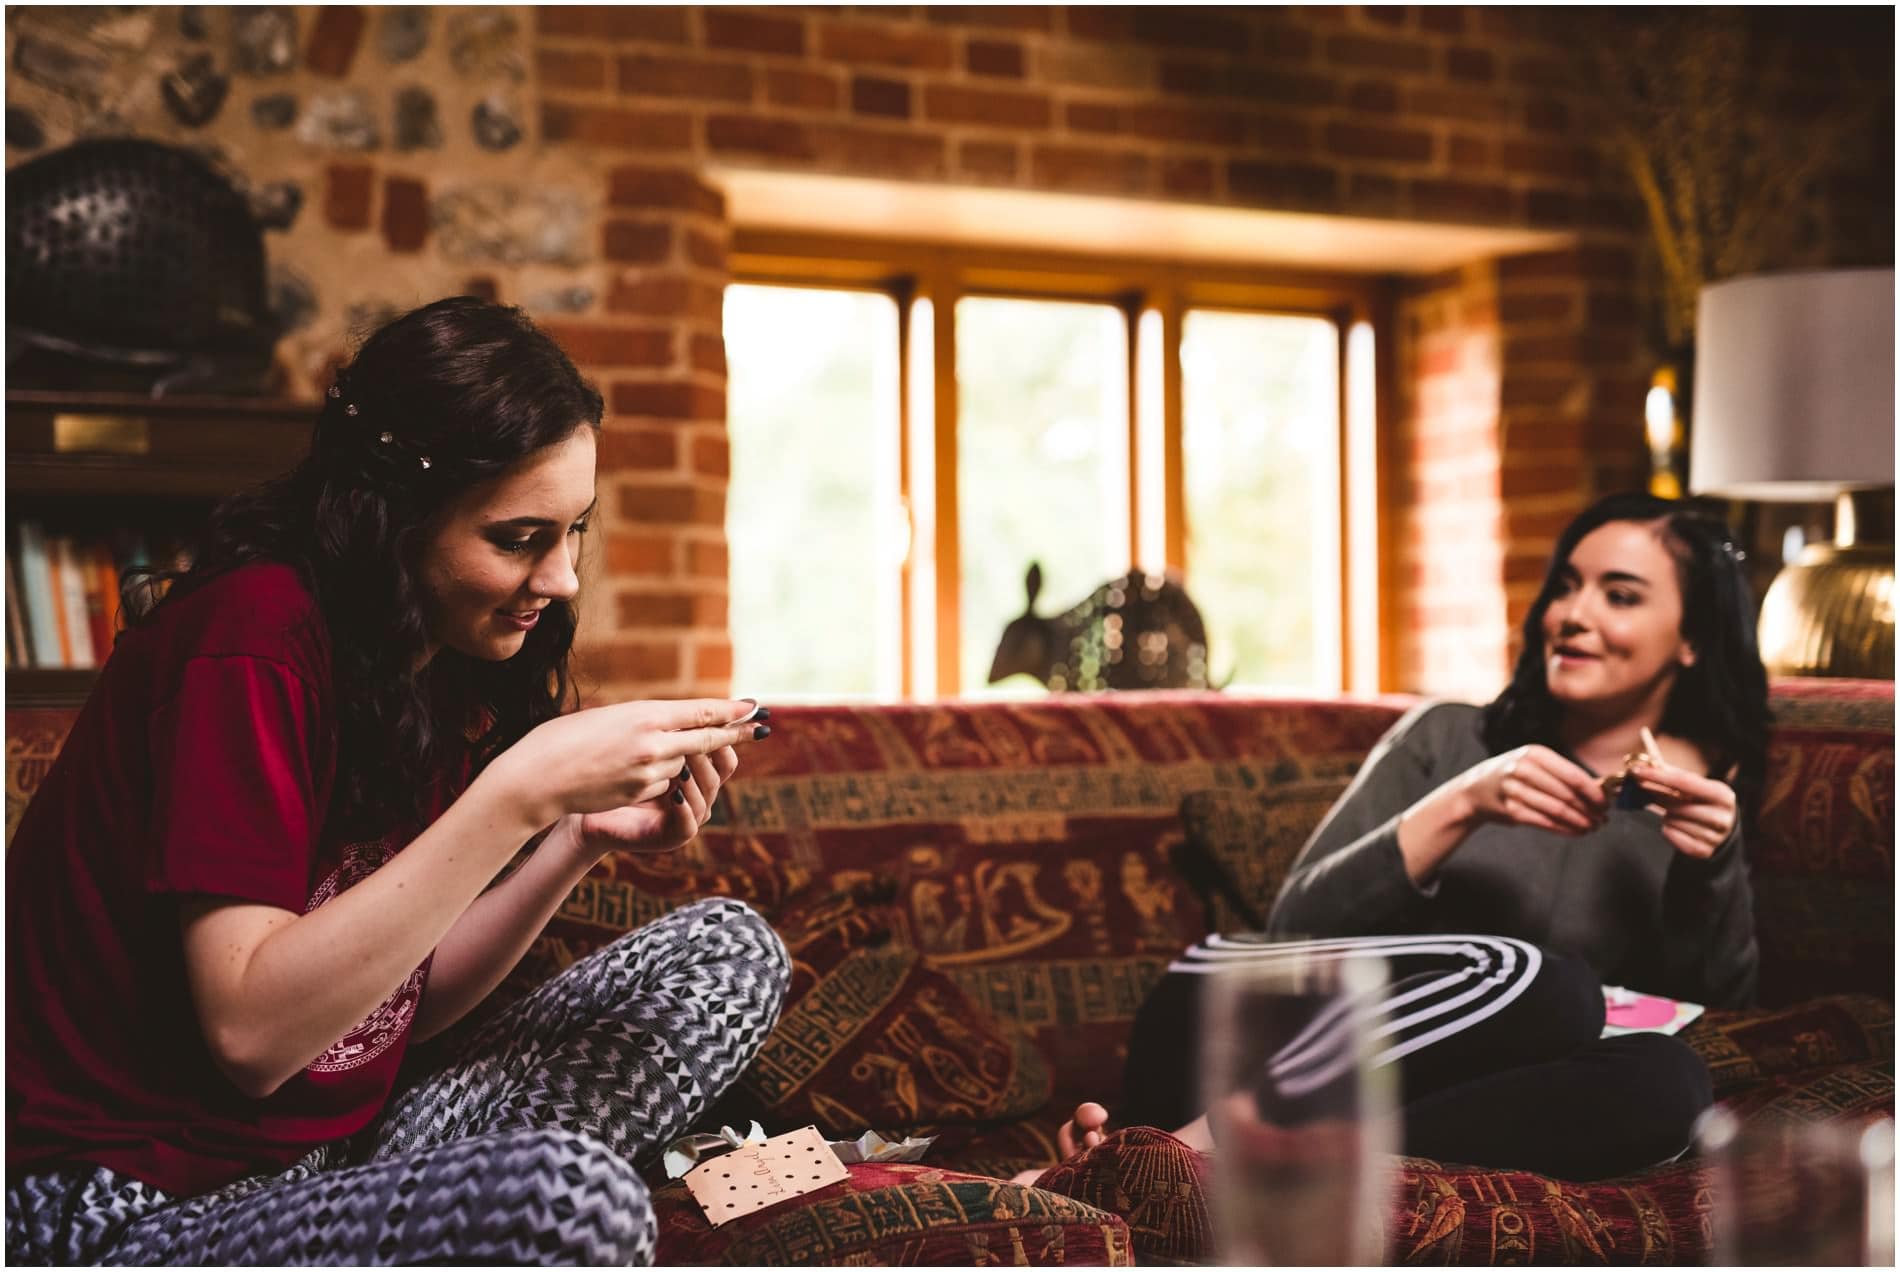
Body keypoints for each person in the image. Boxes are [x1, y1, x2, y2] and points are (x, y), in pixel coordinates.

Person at [6, 298, 789, 1265]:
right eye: (518, 538)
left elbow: (389, 1011)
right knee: (572, 1202)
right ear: (394, 517)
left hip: (332, 1161)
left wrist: (571, 838)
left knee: (727, 949)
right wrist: (520, 792)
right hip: (128, 1207)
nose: (563, 579)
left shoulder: (430, 659)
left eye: (574, 529)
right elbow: (252, 1037)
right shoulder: (251, 639)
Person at [1029, 492, 1769, 1184]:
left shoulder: (1699, 801)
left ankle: (1213, 1176)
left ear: (1693, 640)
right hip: (1241, 1017)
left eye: (1620, 595)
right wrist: (1462, 804)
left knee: (1672, 1081)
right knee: (1544, 981)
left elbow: (1715, 1013)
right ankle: (1186, 1152)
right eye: (1567, 585)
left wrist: (1713, 864)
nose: (1572, 614)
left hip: (1406, 1087)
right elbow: (1295, 928)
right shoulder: (1450, 737)